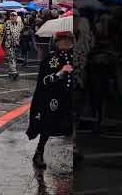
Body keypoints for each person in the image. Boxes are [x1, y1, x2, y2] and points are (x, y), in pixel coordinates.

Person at [26, 31, 74, 169]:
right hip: (54, 99)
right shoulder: (50, 59)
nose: (66, 43)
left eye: (68, 40)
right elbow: (43, 81)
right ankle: (39, 153)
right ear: (57, 42)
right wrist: (59, 73)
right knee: (47, 125)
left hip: (70, 97)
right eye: (62, 41)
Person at [2, 11, 23, 80]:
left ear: (16, 17)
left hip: (17, 44)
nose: (12, 17)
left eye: (14, 16)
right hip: (9, 44)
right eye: (11, 16)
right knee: (12, 57)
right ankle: (14, 71)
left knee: (14, 58)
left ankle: (12, 71)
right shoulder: (7, 23)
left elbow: (21, 31)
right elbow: (6, 34)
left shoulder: (19, 24)